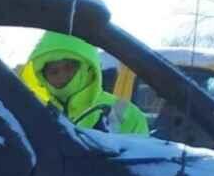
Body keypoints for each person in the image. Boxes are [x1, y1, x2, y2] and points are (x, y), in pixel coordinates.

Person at [19, 31, 151, 135]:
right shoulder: (40, 115)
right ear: (42, 77)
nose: (62, 76)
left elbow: (143, 165)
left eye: (70, 67)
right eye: (53, 71)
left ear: (88, 67)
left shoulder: (121, 110)